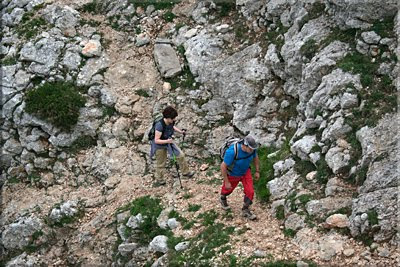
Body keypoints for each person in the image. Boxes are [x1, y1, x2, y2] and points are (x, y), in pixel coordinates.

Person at [150, 106, 195, 185]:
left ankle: (186, 172)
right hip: (160, 145)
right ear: (167, 118)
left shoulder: (171, 121)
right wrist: (167, 141)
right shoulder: (159, 125)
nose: (174, 119)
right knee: (161, 163)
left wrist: (181, 132)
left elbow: (172, 127)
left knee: (181, 155)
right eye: (172, 118)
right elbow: (156, 140)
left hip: (168, 141)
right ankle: (160, 179)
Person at [220, 135, 260, 220]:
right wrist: (226, 182)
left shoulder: (252, 149)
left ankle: (245, 209)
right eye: (250, 149)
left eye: (253, 149)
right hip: (233, 173)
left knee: (250, 191)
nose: (252, 151)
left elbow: (256, 158)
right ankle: (223, 198)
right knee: (228, 189)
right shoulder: (232, 152)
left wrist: (257, 171)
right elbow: (223, 166)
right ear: (244, 146)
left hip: (245, 171)